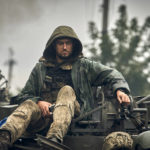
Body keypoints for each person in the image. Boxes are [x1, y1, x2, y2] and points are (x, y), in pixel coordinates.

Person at [0, 25, 131, 150]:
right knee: (28, 104)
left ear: (73, 46)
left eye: (68, 43)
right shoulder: (40, 69)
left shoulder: (84, 66)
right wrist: (39, 102)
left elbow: (112, 74)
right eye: (60, 43)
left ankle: (53, 139)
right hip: (43, 119)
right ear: (53, 46)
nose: (64, 47)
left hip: (75, 117)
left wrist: (120, 89)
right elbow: (23, 96)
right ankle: (4, 137)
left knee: (67, 90)